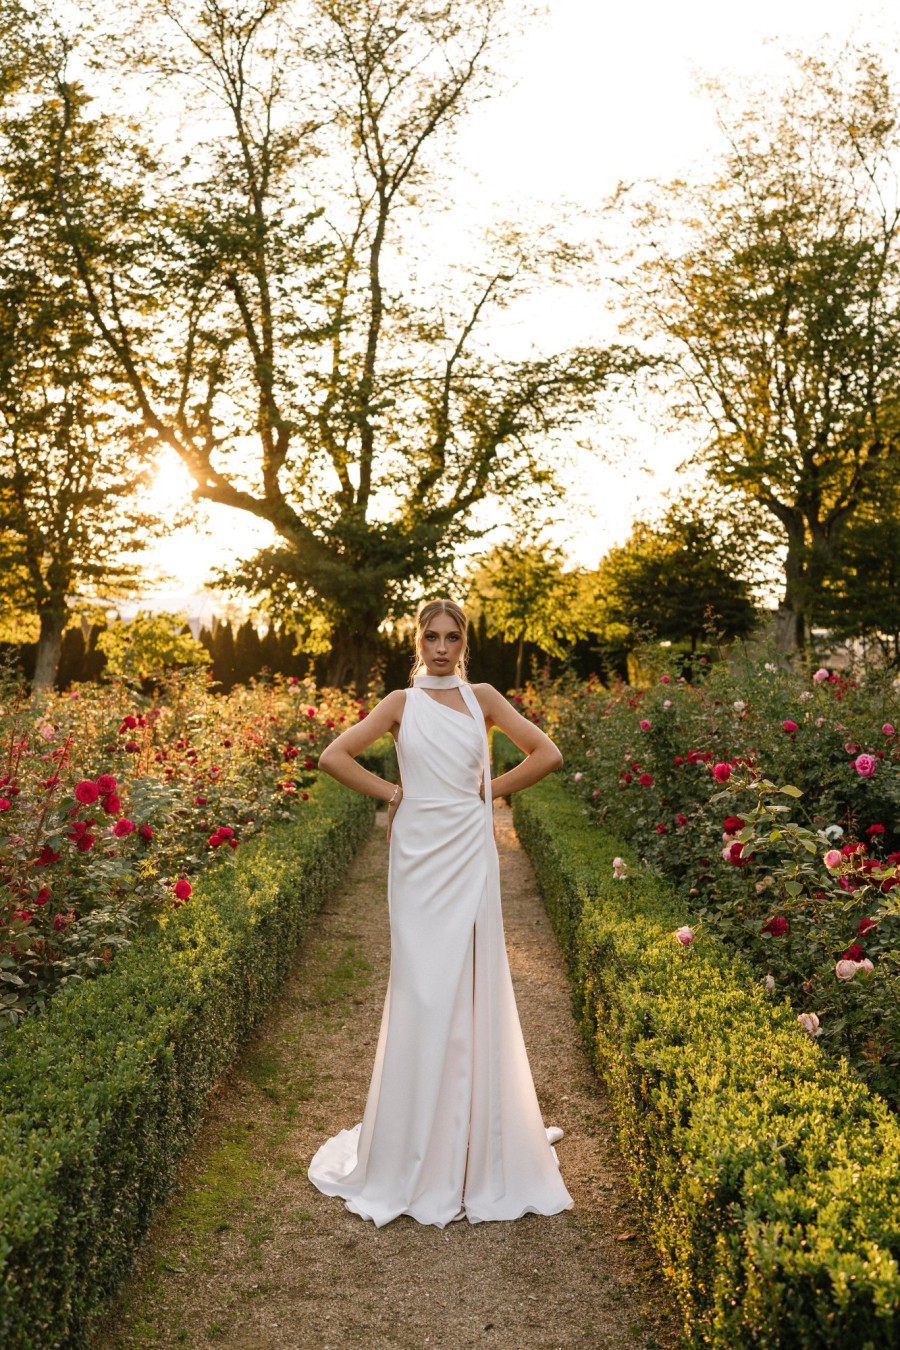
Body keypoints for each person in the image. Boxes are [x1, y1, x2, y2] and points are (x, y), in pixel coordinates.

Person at [307, 597, 574, 1228]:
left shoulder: (483, 697)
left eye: (453, 637)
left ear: (465, 643)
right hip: (418, 856)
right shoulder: (400, 705)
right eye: (432, 636)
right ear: (418, 642)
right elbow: (333, 757)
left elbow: (547, 753)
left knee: (472, 984)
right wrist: (393, 792)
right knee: (424, 989)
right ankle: (413, 1141)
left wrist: (490, 791)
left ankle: (475, 1133)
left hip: (469, 851)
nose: (443, 647)